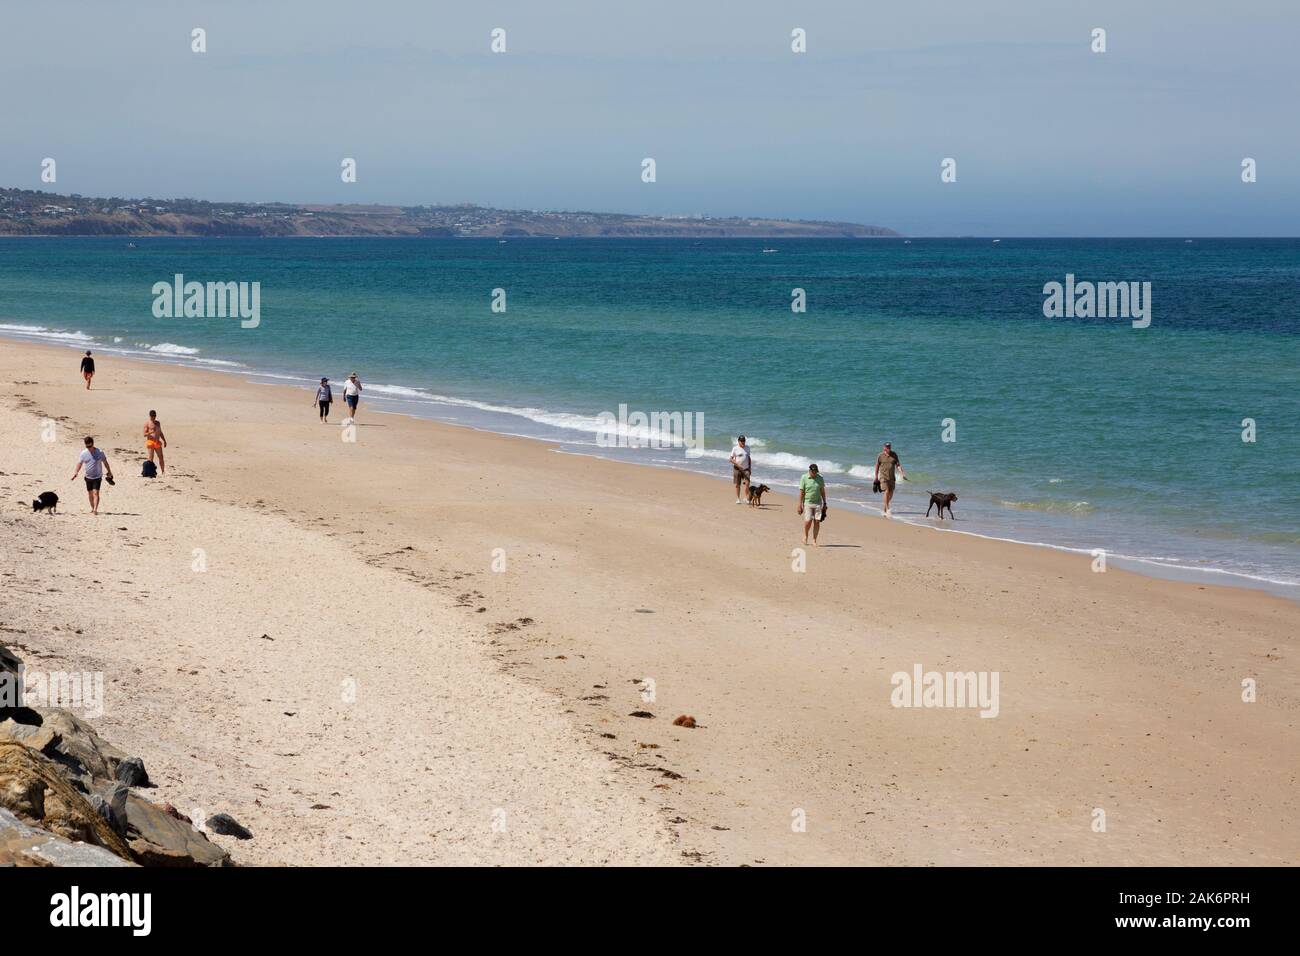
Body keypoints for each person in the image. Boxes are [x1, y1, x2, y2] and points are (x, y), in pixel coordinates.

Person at [70, 436, 113, 515]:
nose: (89, 448)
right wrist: (76, 472)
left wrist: (109, 471)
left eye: (90, 446)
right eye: (87, 446)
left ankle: (95, 509)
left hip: (97, 477)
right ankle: (92, 508)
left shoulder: (100, 452)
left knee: (96, 493)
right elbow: (79, 463)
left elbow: (105, 462)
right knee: (90, 494)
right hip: (88, 477)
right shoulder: (83, 453)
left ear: (93, 444)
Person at [797, 463, 827, 545]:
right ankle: (806, 536)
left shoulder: (820, 478)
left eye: (816, 472)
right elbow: (802, 492)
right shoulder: (804, 477)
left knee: (817, 521)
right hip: (808, 502)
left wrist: (825, 503)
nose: (815, 473)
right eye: (813, 472)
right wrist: (800, 505)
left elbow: (822, 491)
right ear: (810, 470)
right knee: (808, 521)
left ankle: (814, 540)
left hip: (818, 503)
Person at [874, 441, 906, 517]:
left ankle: (885, 506)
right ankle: (888, 508)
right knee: (887, 491)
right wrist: (876, 476)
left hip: (892, 477)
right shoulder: (880, 456)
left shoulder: (894, 455)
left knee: (891, 493)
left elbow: (898, 465)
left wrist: (902, 473)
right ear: (884, 447)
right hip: (883, 477)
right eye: (887, 446)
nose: (888, 448)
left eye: (889, 446)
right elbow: (877, 466)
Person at [143, 410, 167, 475]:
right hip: (150, 442)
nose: (153, 417)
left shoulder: (158, 423)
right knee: (151, 457)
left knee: (161, 457)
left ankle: (163, 471)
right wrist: (151, 432)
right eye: (152, 416)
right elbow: (144, 434)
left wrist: (164, 440)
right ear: (150, 416)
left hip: (157, 441)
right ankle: (150, 472)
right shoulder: (147, 423)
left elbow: (160, 432)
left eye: (154, 416)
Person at [729, 435, 752, 504]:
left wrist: (750, 468)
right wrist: (738, 465)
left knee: (747, 483)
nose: (743, 442)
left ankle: (746, 498)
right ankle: (738, 499)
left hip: (746, 469)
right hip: (737, 469)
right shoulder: (735, 448)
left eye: (744, 441)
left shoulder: (747, 448)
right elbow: (730, 459)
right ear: (738, 441)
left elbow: (749, 458)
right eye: (741, 441)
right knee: (738, 485)